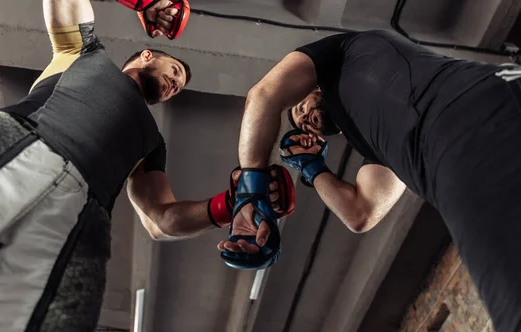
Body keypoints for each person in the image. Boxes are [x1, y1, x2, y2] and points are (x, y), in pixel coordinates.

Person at [0, 0, 296, 331]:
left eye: (178, 86)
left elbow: (160, 220)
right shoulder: (81, 52)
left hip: (75, 219)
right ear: (147, 54)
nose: (174, 84)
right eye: (174, 71)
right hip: (15, 143)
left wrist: (231, 205)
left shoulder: (152, 144)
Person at [218, 29, 521, 331]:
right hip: (484, 117)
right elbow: (360, 214)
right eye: (303, 126)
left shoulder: (344, 51)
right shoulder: (378, 145)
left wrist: (251, 194)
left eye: (300, 107)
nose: (304, 119)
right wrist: (311, 167)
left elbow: (264, 94)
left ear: (313, 89)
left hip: (468, 124)